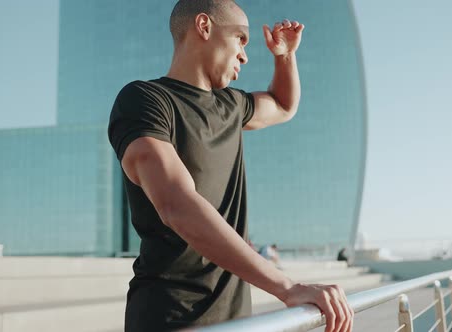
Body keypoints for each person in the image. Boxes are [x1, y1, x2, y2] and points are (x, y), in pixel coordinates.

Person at [107, 1, 353, 331]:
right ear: (204, 27)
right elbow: (176, 203)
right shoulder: (145, 101)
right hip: (169, 318)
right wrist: (287, 287)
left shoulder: (232, 105)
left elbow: (282, 105)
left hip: (236, 319)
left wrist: (284, 57)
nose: (245, 56)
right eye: (240, 38)